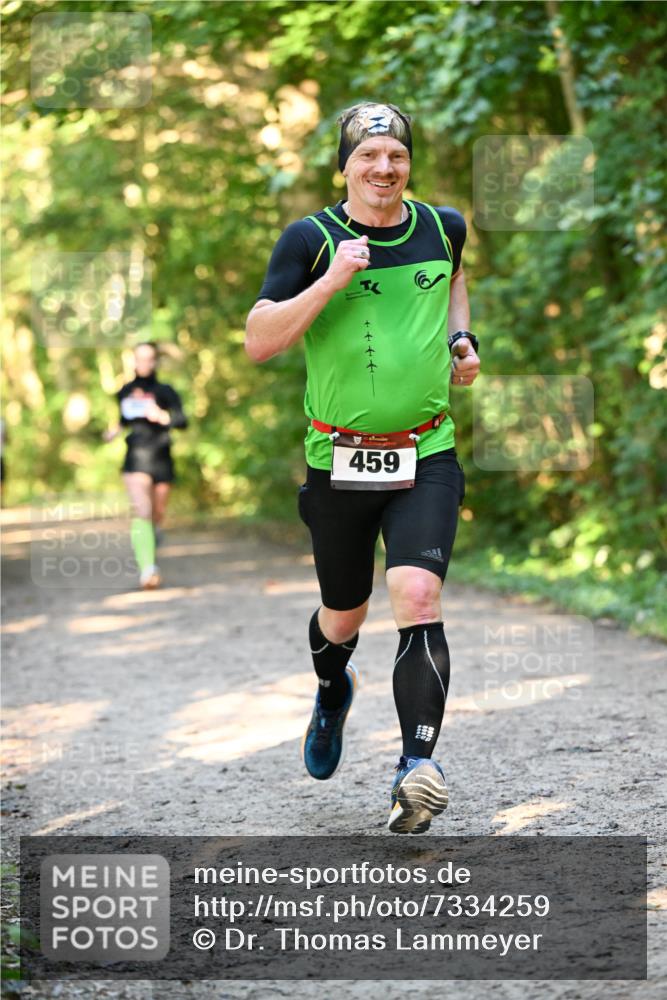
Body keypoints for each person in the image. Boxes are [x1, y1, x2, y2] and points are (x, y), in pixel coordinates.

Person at [245, 102, 480, 834]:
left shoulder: (442, 226)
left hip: (427, 450)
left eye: (396, 156)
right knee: (342, 613)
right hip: (337, 460)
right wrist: (326, 284)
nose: (384, 168)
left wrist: (462, 338)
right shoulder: (310, 239)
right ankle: (329, 687)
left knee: (415, 593)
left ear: (409, 163)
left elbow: (453, 281)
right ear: (343, 165)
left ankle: (416, 768)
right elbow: (259, 340)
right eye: (368, 156)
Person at [103, 342, 187, 589]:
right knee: (142, 510)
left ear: (155, 361)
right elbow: (123, 420)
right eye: (139, 358)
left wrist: (163, 417)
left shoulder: (166, 391)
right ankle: (148, 569)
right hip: (136, 456)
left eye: (149, 358)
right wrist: (114, 432)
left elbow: (182, 421)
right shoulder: (124, 391)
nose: (144, 363)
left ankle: (151, 539)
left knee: (157, 514)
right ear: (133, 361)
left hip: (161, 454)